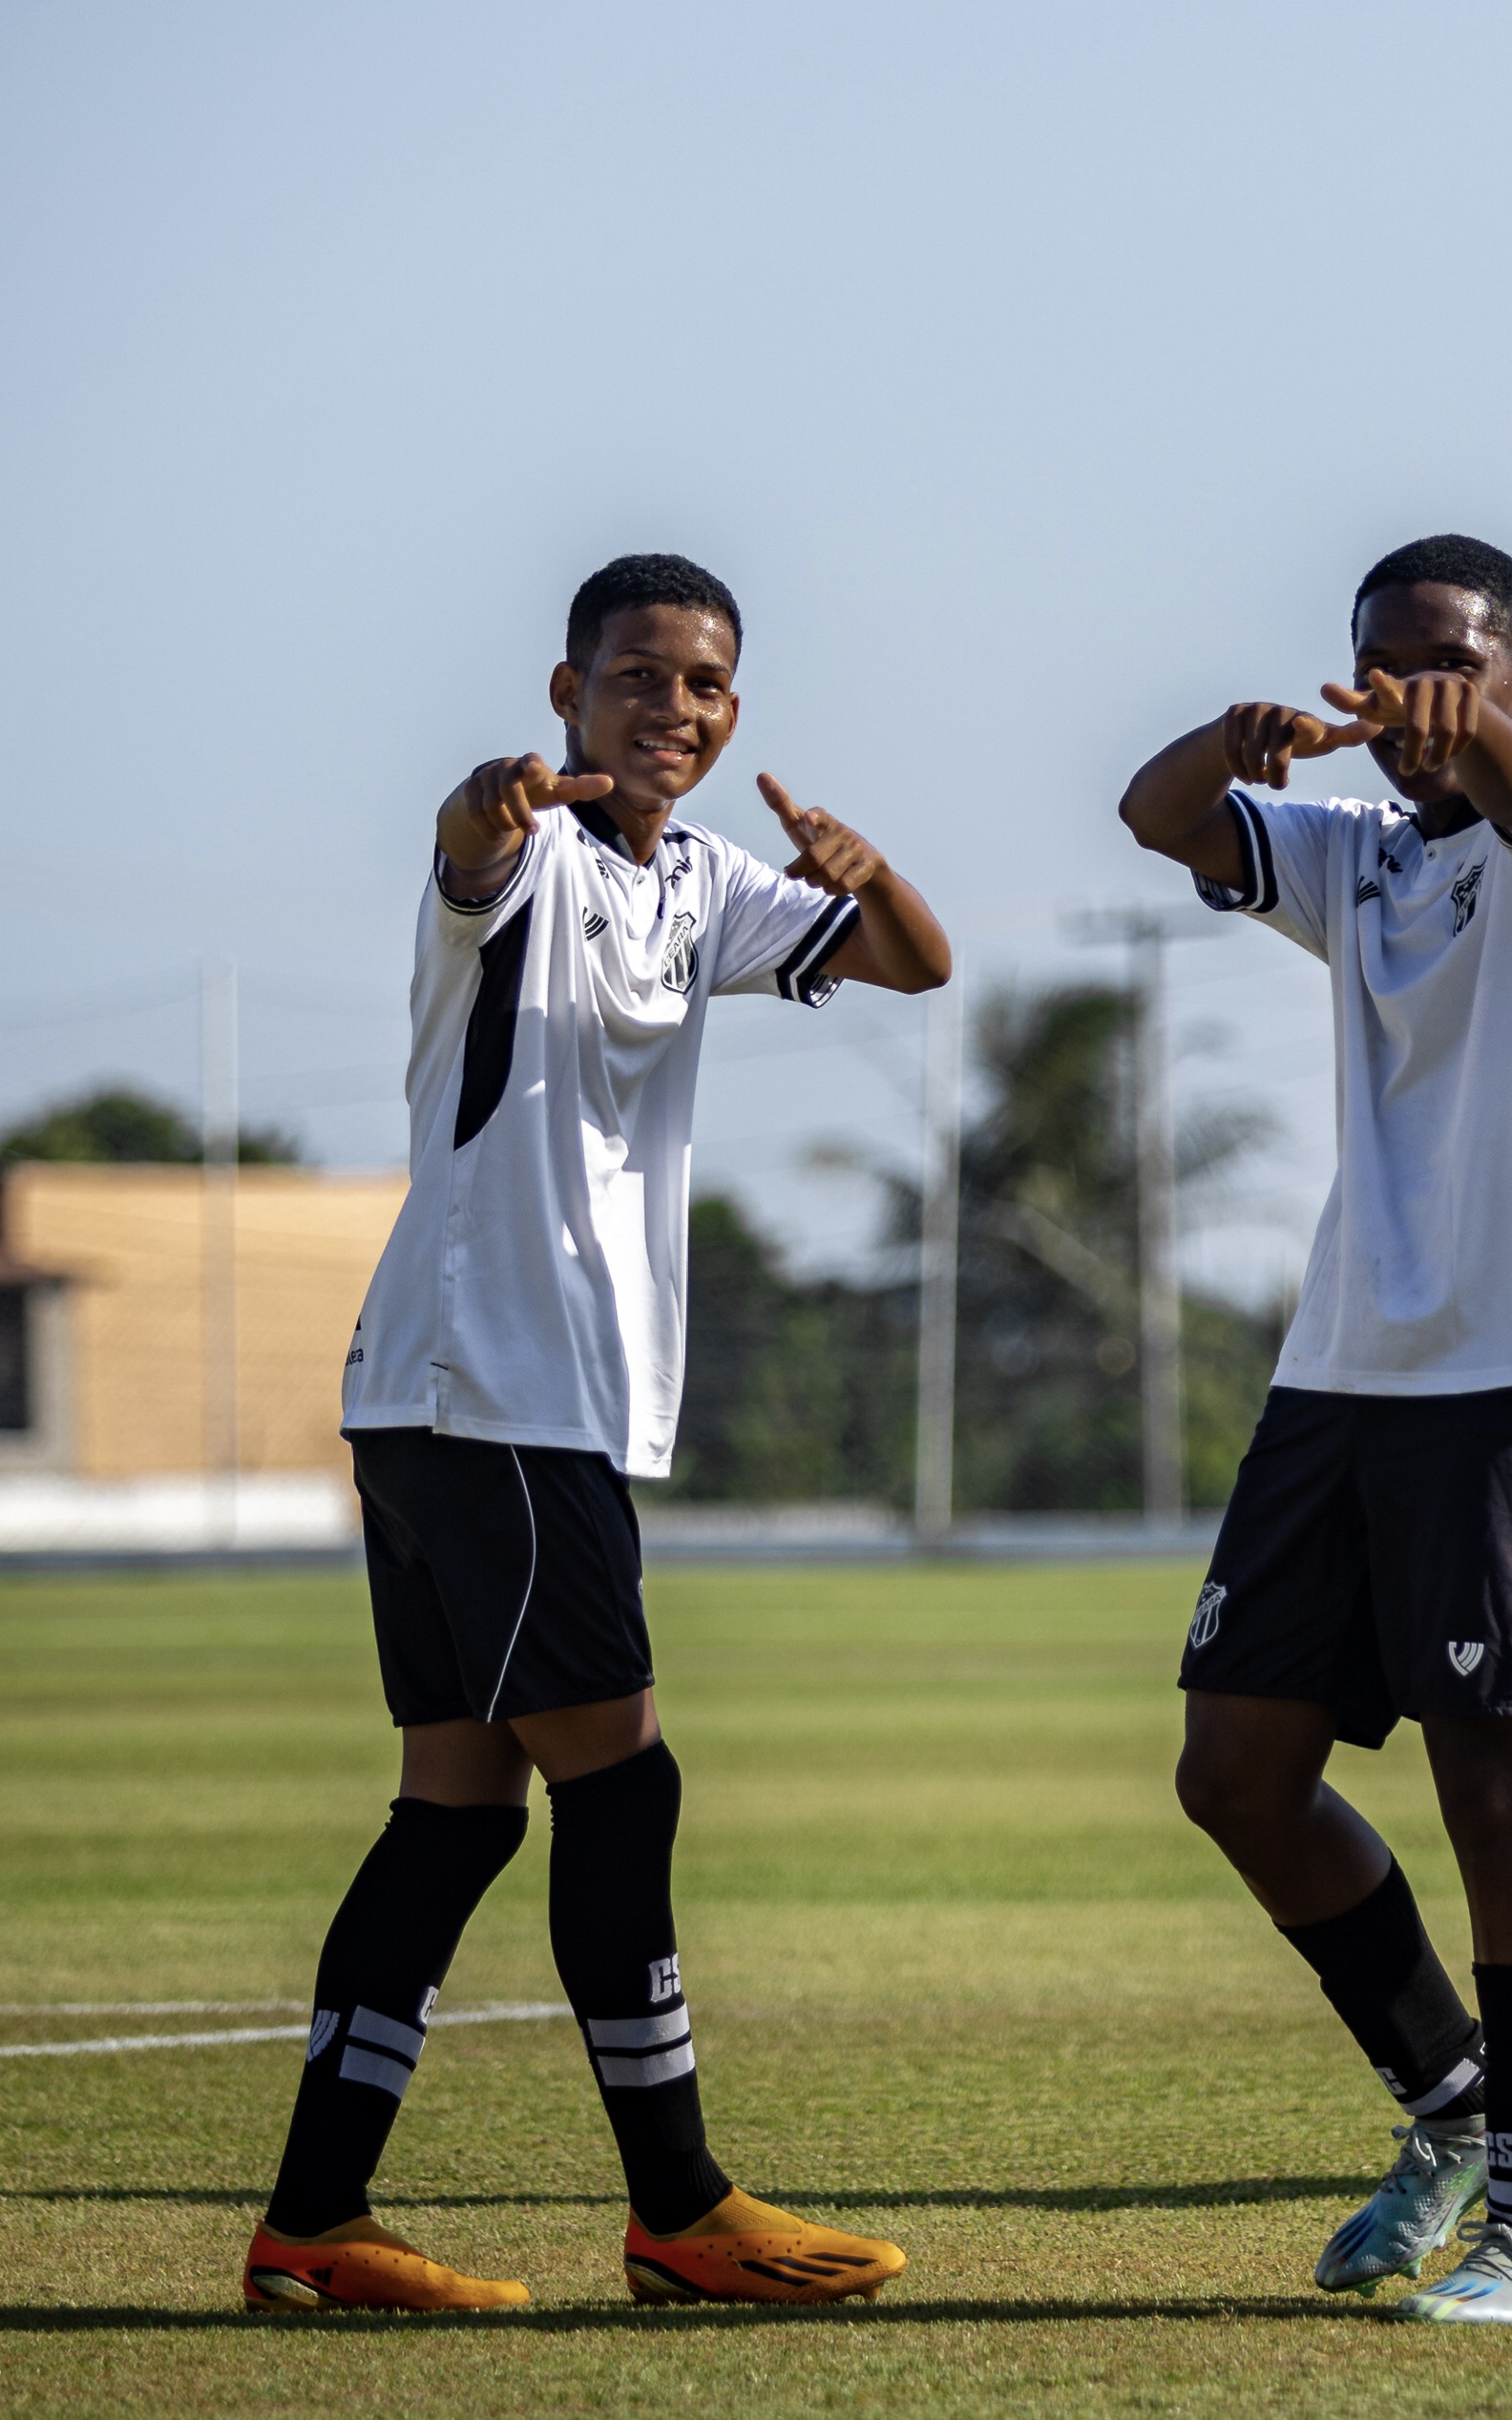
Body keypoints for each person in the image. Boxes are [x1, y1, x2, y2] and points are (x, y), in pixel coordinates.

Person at [244, 553, 955, 2311]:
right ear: (564, 693)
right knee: (621, 1784)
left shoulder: (703, 882)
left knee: (458, 1816)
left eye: (705, 685)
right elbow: (468, 845)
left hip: (484, 1405)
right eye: (636, 677)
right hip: (488, 1396)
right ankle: (678, 2210)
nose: (674, 709)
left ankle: (310, 2230)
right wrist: (488, 811)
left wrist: (870, 879)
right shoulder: (527, 856)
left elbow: (918, 968)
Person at [1120, 534, 1512, 2326]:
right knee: (1232, 1771)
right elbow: (1151, 810)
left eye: (1450, 663)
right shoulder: (1354, 854)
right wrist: (1243, 734)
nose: (1410, 696)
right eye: (1380, 665)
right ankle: (1450, 2105)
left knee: (1490, 1781)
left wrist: (1459, 730)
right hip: (1342, 1363)